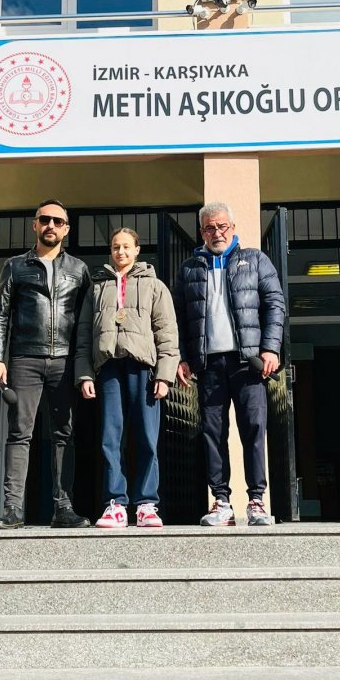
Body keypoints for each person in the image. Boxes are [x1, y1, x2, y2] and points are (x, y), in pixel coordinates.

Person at [173, 202, 286, 527]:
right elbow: (178, 316)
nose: (217, 233)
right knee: (212, 433)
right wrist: (182, 356)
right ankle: (221, 501)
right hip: (208, 364)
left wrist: (270, 348)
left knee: (254, 430)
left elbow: (275, 304)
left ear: (233, 228)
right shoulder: (189, 268)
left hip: (247, 363)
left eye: (222, 226)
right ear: (202, 232)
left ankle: (256, 501)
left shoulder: (256, 260)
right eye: (210, 227)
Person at [0, 199, 91, 529]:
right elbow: (0, 314)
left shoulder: (79, 269)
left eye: (58, 221)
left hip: (65, 360)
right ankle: (13, 509)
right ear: (35, 225)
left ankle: (63, 508)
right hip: (24, 359)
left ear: (66, 229)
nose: (51, 225)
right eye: (45, 219)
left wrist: (84, 366)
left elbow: (86, 322)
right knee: (19, 433)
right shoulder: (15, 266)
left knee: (64, 434)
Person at [75, 228, 179, 528]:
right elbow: (84, 335)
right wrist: (85, 374)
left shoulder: (155, 286)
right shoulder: (96, 288)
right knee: (110, 438)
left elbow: (166, 333)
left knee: (146, 437)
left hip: (143, 370)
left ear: (137, 250)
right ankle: (115, 504)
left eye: (125, 247)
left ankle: (146, 504)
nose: (120, 252)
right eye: (115, 247)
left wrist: (165, 375)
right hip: (108, 369)